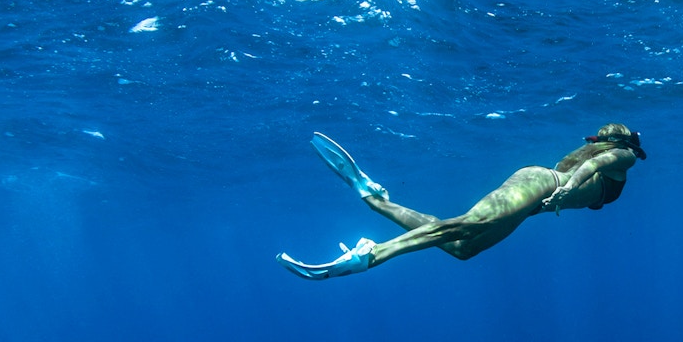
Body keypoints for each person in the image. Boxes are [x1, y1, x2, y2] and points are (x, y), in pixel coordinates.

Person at [277, 123, 646, 280]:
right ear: (627, 142)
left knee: (461, 248)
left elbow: (593, 160)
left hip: (535, 197)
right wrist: (570, 187)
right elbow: (599, 163)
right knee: (470, 224)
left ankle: (374, 198)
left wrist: (566, 190)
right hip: (541, 185)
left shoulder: (595, 151)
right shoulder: (625, 156)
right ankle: (372, 255)